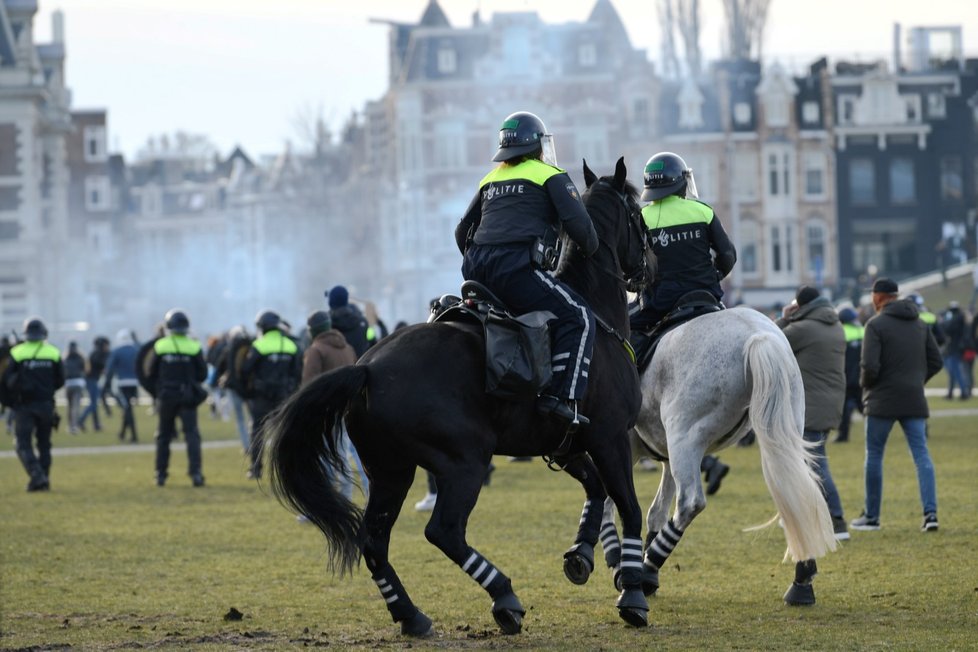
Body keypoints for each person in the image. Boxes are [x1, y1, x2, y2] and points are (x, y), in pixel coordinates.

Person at [454, 110, 598, 430]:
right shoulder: (549, 174)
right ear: (537, 146)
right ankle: (562, 398)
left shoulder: (489, 180)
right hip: (516, 270)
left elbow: (461, 232)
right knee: (579, 316)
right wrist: (591, 249)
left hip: (475, 271)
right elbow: (582, 231)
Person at [850, 278, 943, 533]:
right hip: (913, 398)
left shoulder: (875, 325)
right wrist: (916, 381)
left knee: (875, 456)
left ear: (879, 297)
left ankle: (872, 517)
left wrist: (867, 387)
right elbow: (936, 361)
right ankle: (930, 514)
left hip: (881, 401)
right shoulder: (920, 324)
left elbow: (869, 366)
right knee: (921, 454)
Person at [629, 151, 737, 340]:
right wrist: (713, 276)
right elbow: (728, 255)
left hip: (662, 302)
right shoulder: (703, 211)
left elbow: (632, 264)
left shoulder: (641, 217)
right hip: (706, 294)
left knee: (624, 333)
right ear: (681, 182)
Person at [777, 285, 849, 540]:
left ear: (801, 305)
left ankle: (837, 520)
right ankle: (805, 517)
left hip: (810, 406)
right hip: (828, 404)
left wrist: (785, 316)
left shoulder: (804, 329)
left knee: (815, 464)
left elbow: (770, 338)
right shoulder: (834, 325)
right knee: (808, 464)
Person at [301, 310, 366, 500]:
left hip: (323, 412)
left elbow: (308, 384)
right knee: (344, 455)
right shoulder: (347, 348)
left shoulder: (316, 350)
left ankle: (332, 501)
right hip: (346, 409)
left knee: (327, 459)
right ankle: (348, 496)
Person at [1, 318, 64, 491]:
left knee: (22, 444)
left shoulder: (17, 352)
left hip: (24, 406)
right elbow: (60, 381)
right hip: (46, 405)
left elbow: (6, 380)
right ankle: (44, 479)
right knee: (44, 444)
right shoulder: (53, 352)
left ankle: (37, 476)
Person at [148, 309, 208, 487]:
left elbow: (150, 373)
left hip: (167, 396)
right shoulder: (194, 346)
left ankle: (160, 474)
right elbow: (203, 374)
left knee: (164, 436)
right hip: (187, 397)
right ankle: (196, 474)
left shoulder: (160, 346)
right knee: (192, 435)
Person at [241, 310, 302, 480]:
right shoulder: (291, 345)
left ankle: (256, 469)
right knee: (283, 432)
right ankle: (286, 469)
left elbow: (246, 369)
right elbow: (297, 373)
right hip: (284, 396)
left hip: (261, 396)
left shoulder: (259, 346)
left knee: (257, 432)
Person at [834, 307, 864, 443]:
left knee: (844, 409)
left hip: (845, 376)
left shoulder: (840, 333)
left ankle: (843, 436)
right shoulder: (863, 331)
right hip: (862, 376)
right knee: (864, 407)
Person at [103, 329, 140, 442]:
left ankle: (134, 436)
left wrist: (107, 385)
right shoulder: (136, 350)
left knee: (127, 409)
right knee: (127, 408)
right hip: (134, 383)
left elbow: (109, 370)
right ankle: (122, 434)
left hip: (122, 383)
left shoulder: (117, 351)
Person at [326, 286, 376, 359]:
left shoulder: (326, 325)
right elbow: (373, 343)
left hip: (334, 369)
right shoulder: (363, 323)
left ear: (330, 302)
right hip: (360, 367)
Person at [78, 336, 111, 431]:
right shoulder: (98, 355)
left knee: (94, 403)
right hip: (91, 380)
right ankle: (80, 420)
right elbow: (102, 365)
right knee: (93, 404)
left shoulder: (95, 353)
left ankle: (96, 425)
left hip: (92, 380)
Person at [939, 301, 969, 400]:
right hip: (958, 349)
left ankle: (964, 392)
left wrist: (943, 322)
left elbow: (947, 329)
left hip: (954, 349)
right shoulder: (961, 319)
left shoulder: (955, 320)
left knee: (955, 372)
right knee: (954, 372)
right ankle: (952, 393)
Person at [63, 341, 86, 435]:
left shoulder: (65, 358)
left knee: (69, 406)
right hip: (78, 383)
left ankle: (70, 426)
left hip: (68, 384)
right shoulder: (80, 358)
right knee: (76, 406)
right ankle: (74, 426)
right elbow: (84, 369)